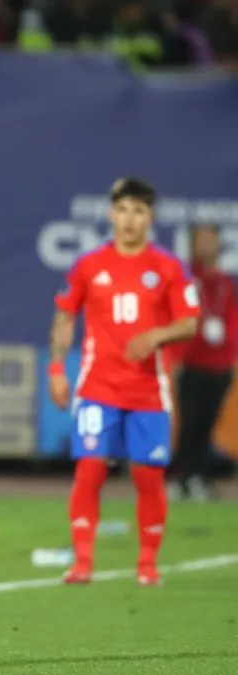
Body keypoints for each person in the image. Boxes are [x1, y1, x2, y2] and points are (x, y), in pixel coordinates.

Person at [48, 177, 201, 587]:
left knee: (148, 477)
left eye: (138, 211)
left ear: (150, 217)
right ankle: (82, 562)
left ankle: (147, 564)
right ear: (111, 214)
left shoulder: (168, 268)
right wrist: (57, 369)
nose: (129, 219)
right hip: (98, 388)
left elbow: (189, 322)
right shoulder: (89, 265)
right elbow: (65, 317)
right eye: (122, 210)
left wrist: (157, 335)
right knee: (90, 470)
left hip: (149, 391)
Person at [169, 224, 238, 501]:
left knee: (209, 423)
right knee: (190, 421)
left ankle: (199, 477)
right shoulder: (187, 279)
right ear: (193, 244)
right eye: (202, 240)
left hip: (219, 364)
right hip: (192, 361)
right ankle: (179, 477)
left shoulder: (225, 282)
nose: (207, 246)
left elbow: (233, 316)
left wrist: (228, 342)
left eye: (211, 240)